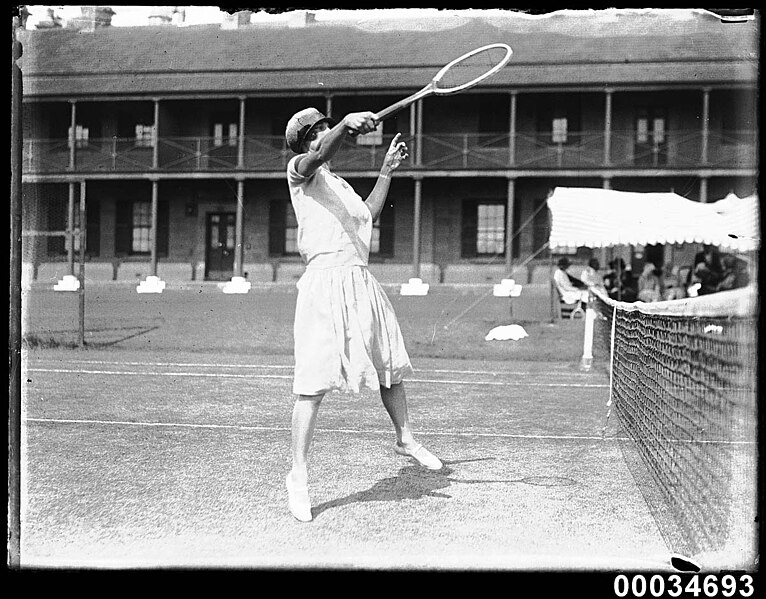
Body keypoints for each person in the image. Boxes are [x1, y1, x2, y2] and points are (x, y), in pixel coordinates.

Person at [283, 107, 442, 523]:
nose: (320, 137)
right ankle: (298, 475)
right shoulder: (300, 170)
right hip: (323, 285)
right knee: (313, 384)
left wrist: (387, 170)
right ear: (303, 143)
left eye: (324, 128)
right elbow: (317, 156)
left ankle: (405, 438)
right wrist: (344, 123)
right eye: (313, 133)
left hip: (360, 281)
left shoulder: (338, 185)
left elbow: (368, 213)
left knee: (390, 367)